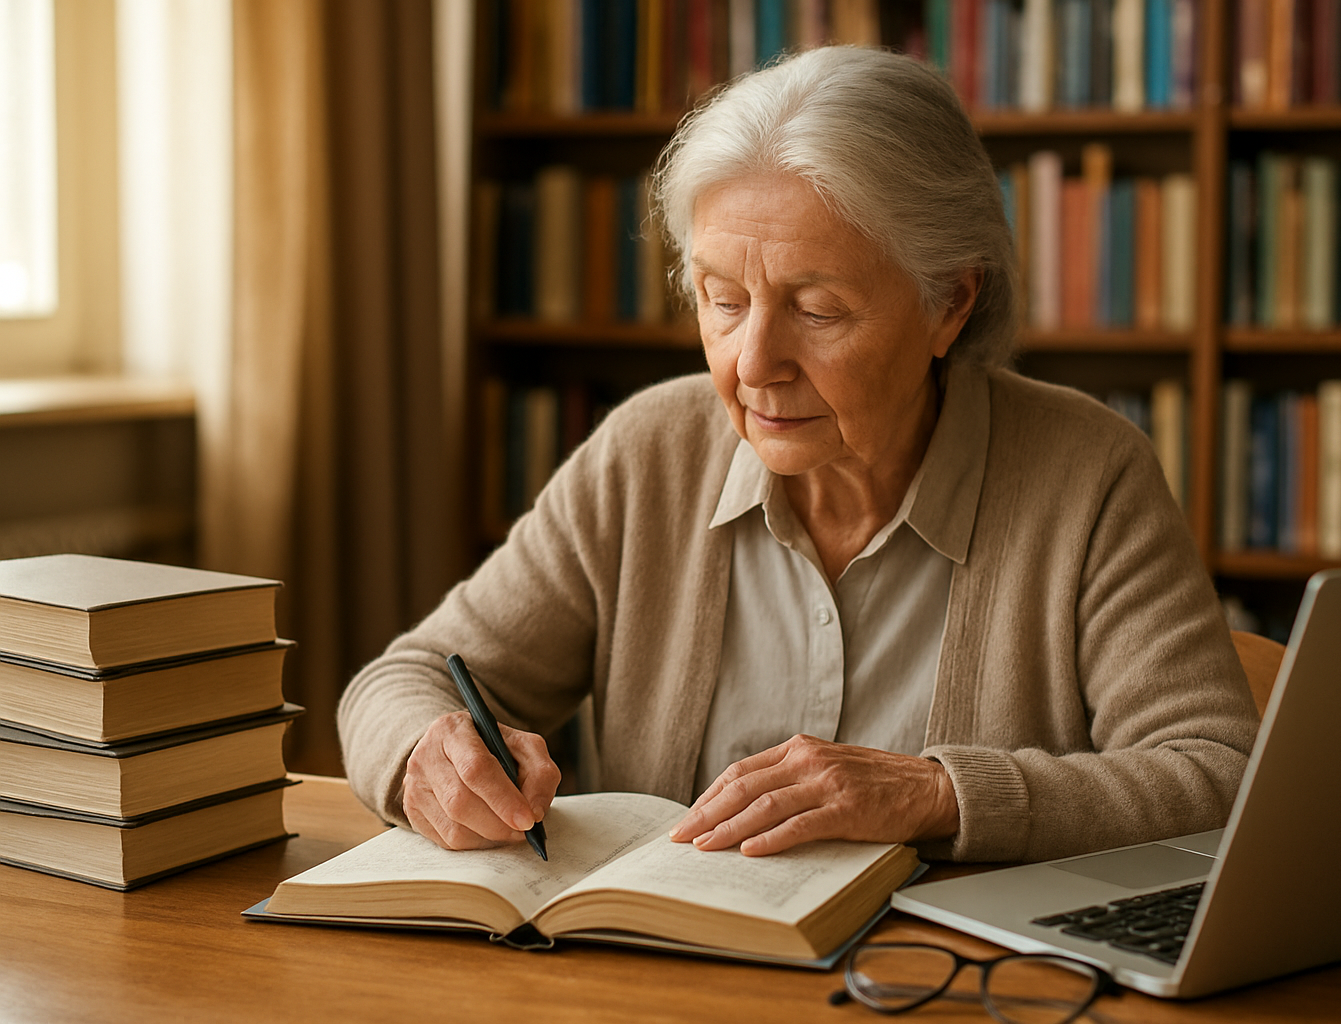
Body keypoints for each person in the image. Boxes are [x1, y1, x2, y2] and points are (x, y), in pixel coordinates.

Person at [338, 46, 1259, 865]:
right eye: (722, 299)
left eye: (818, 311)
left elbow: (1214, 771)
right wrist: (430, 753)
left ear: (950, 304)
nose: (753, 365)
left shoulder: (1088, 474)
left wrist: (936, 794)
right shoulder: (648, 453)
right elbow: (405, 679)